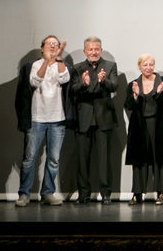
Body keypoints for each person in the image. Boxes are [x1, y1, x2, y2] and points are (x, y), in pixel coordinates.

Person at [14, 35, 73, 206]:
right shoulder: (33, 66)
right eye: (49, 44)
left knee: (53, 160)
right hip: (37, 118)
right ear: (42, 48)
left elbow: (65, 79)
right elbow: (34, 81)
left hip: (57, 119)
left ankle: (48, 193)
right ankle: (24, 194)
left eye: (56, 44)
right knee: (29, 158)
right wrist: (47, 62)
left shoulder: (63, 66)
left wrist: (58, 60)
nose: (53, 47)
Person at [71, 36, 118, 204]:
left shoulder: (110, 66)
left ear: (101, 50)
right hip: (84, 118)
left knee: (104, 158)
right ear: (85, 51)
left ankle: (106, 193)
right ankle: (83, 194)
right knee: (82, 159)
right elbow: (73, 90)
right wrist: (84, 84)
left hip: (103, 118)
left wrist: (103, 81)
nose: (93, 52)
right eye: (90, 49)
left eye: (96, 49)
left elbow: (114, 86)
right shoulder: (77, 68)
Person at [124, 54, 163, 205]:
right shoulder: (133, 84)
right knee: (139, 162)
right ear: (139, 67)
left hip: (158, 126)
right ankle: (137, 194)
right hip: (139, 127)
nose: (148, 68)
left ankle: (161, 193)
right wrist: (134, 96)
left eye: (151, 65)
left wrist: (161, 93)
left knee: (159, 160)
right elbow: (128, 106)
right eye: (145, 65)